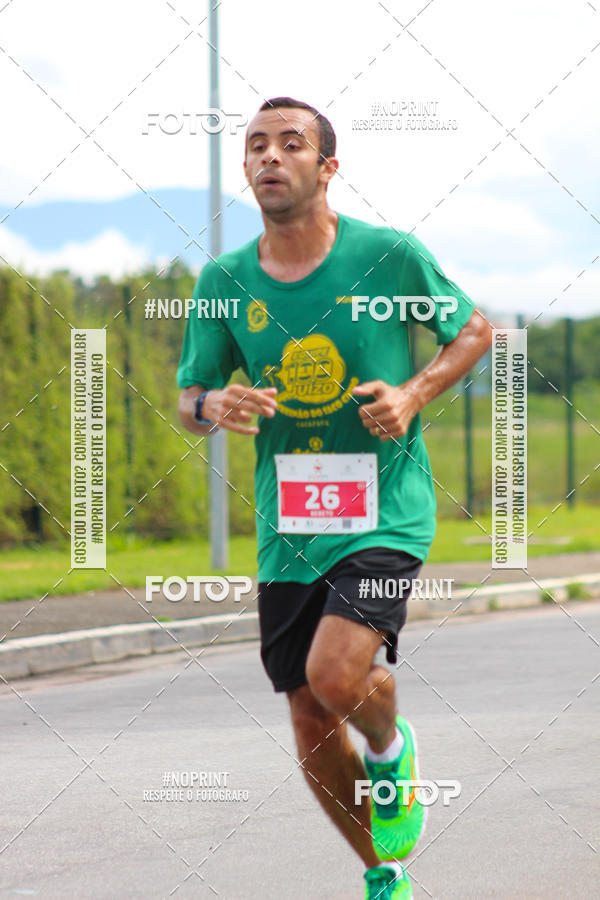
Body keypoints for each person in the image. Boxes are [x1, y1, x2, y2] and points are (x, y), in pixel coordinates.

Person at [177, 96, 492, 899]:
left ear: (328, 166)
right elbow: (191, 396)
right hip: (290, 526)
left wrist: (414, 394)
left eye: (291, 144)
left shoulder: (388, 256)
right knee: (311, 721)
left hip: (385, 508)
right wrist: (216, 405)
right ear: (244, 168)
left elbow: (473, 331)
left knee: (336, 673)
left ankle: (391, 752)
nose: (269, 157)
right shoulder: (223, 279)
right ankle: (383, 873)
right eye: (255, 146)